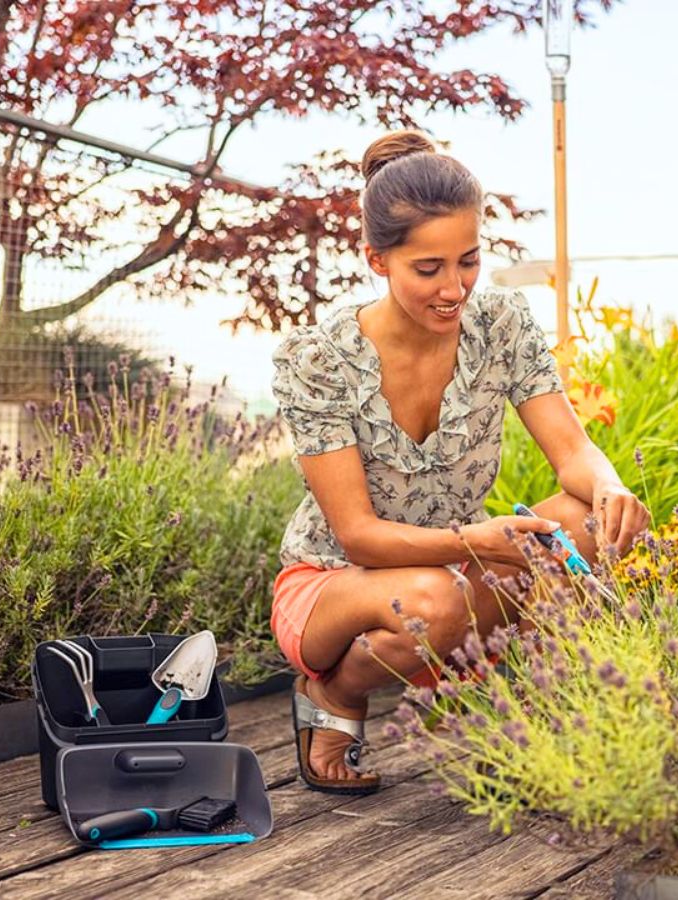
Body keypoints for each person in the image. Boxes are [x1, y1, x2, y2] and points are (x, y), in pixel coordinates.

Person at [271, 129, 650, 794]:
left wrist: (612, 485)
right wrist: (474, 544)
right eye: (429, 269)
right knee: (435, 601)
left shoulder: (500, 323)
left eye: (468, 262)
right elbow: (357, 534)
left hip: (455, 561)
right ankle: (336, 694)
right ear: (376, 260)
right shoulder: (319, 357)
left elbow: (572, 453)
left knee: (590, 520)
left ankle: (539, 715)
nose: (455, 289)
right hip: (338, 580)